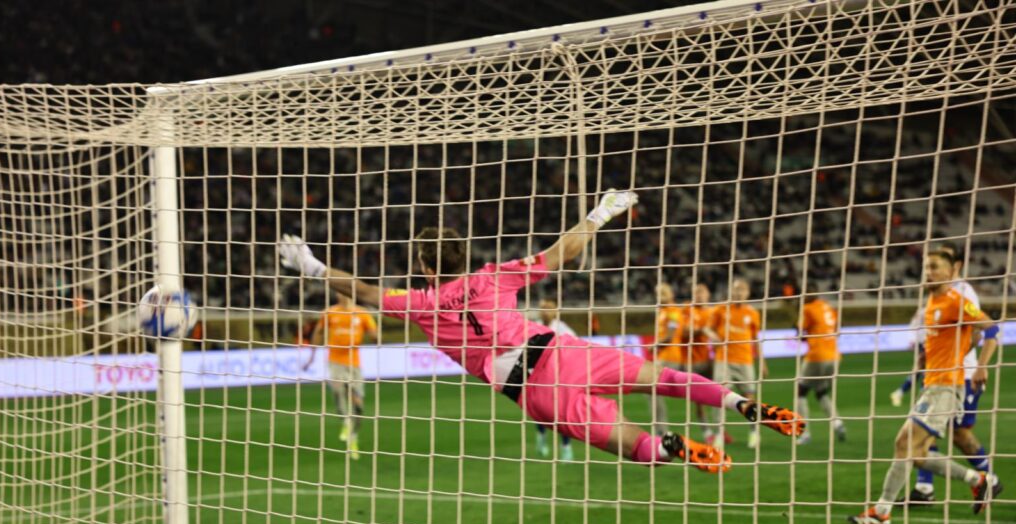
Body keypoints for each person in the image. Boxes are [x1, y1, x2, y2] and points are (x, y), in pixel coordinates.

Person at [279, 190, 804, 471]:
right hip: (562, 349)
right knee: (663, 378)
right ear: (464, 255)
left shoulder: (421, 303)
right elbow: (561, 253)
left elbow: (365, 291)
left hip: (534, 389)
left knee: (630, 444)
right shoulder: (495, 276)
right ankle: (741, 403)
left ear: (423, 264)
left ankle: (673, 449)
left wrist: (313, 266)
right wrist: (599, 213)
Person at [848, 249, 1001, 524]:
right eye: (926, 267)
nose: (928, 272)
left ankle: (881, 511)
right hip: (932, 384)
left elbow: (990, 329)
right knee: (916, 455)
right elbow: (955, 338)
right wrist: (927, 357)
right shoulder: (932, 302)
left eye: (934, 267)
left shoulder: (956, 300)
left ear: (950, 272)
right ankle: (978, 480)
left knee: (905, 445)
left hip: (946, 387)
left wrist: (981, 366)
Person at [906, 242, 992, 504]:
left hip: (962, 375)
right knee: (926, 429)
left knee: (959, 434)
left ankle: (989, 479)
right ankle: (924, 488)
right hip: (937, 374)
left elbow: (980, 331)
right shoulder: (936, 293)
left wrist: (975, 363)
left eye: (943, 260)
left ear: (955, 265)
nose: (933, 268)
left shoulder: (963, 292)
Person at [303, 292, 377, 459]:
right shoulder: (330, 312)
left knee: (358, 403)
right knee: (339, 391)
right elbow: (318, 332)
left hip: (354, 363)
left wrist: (375, 337)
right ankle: (345, 423)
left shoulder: (362, 313)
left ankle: (353, 437)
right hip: (335, 360)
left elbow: (375, 334)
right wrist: (312, 356)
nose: (341, 295)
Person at [705, 278, 769, 448]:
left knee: (749, 398)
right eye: (736, 289)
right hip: (723, 360)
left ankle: (754, 432)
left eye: (742, 289)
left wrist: (762, 362)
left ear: (748, 293)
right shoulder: (721, 309)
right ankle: (718, 434)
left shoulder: (752, 313)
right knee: (718, 396)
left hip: (745, 360)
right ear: (731, 291)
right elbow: (707, 328)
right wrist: (713, 336)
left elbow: (756, 339)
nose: (739, 293)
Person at [796, 287, 846, 445]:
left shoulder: (807, 308)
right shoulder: (827, 306)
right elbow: (837, 330)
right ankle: (837, 423)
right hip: (834, 356)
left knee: (800, 391)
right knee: (820, 392)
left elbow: (800, 332)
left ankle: (804, 433)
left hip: (817, 355)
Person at [534, 298, 577, 461]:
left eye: (549, 308)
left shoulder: (562, 328)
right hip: (539, 374)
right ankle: (541, 437)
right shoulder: (534, 326)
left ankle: (566, 448)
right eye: (543, 308)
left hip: (559, 374)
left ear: (555, 311)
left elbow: (575, 346)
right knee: (540, 410)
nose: (546, 311)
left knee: (562, 412)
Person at [652, 282, 687, 435]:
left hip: (670, 356)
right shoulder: (662, 311)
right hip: (662, 356)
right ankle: (660, 428)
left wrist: (654, 345)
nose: (660, 297)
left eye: (663, 293)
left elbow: (670, 336)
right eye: (658, 294)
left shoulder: (673, 312)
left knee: (652, 389)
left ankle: (661, 430)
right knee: (652, 391)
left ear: (671, 294)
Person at [685, 283, 717, 443]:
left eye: (702, 292)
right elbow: (684, 332)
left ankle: (719, 429)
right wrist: (701, 330)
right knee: (699, 399)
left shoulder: (714, 312)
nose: (699, 296)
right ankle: (707, 432)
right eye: (696, 293)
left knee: (718, 394)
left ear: (708, 295)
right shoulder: (688, 310)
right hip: (693, 361)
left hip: (712, 361)